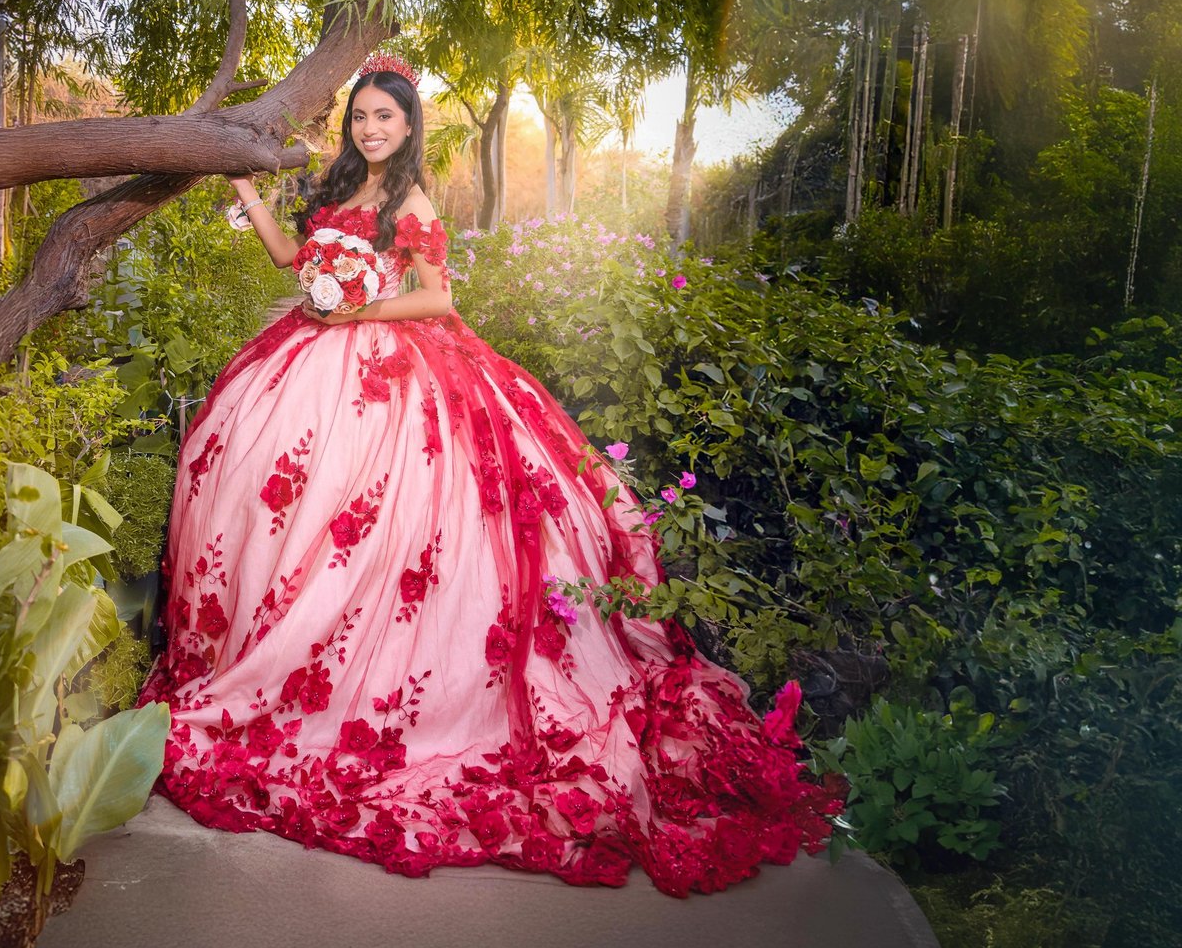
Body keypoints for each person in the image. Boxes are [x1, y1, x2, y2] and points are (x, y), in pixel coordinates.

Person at [132, 51, 845, 895]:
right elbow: (295, 258)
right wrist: (247, 194)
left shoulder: (413, 202)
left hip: (381, 360)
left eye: (385, 117)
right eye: (360, 116)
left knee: (383, 519)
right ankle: (264, 649)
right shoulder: (333, 188)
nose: (371, 128)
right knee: (264, 485)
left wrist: (359, 309)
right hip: (306, 359)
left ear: (408, 126)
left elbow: (439, 298)